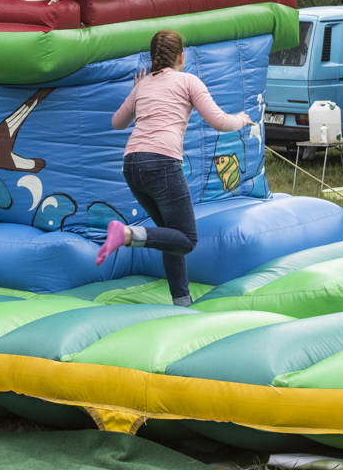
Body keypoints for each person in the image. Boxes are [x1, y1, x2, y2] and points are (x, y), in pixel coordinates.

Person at [96, 30, 253, 306]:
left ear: (153, 58)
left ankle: (181, 301)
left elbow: (117, 122)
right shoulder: (188, 81)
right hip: (161, 164)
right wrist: (241, 119)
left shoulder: (143, 85)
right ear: (182, 56)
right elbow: (219, 122)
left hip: (131, 165)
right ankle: (127, 234)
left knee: (171, 236)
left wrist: (138, 93)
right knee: (187, 239)